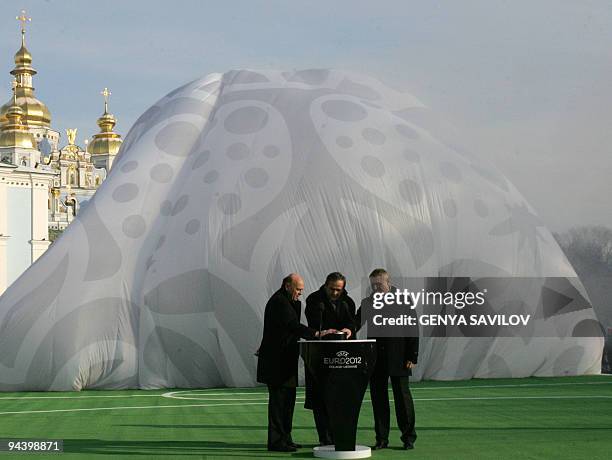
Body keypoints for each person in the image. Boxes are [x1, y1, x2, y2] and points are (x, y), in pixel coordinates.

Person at [257, 273, 334, 452]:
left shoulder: (293, 303)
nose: (300, 293)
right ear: (287, 286)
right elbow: (293, 326)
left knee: (288, 403)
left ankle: (286, 438)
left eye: (301, 290)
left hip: (287, 360)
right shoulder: (279, 302)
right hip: (276, 362)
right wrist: (317, 334)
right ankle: (276, 442)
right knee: (278, 404)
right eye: (298, 289)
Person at [356, 268, 419, 450]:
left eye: (379, 284)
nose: (376, 288)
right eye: (373, 285)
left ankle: (408, 438)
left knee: (403, 399)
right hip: (376, 359)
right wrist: (347, 330)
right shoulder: (368, 303)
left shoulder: (404, 301)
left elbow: (412, 329)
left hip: (400, 358)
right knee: (378, 400)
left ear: (388, 283)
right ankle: (381, 439)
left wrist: (412, 356)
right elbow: (356, 322)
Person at [304, 272, 356, 446]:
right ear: (326, 285)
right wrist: (327, 332)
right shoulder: (314, 300)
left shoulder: (348, 302)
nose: (335, 293)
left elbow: (351, 323)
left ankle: (339, 436)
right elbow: (314, 324)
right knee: (320, 400)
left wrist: (349, 330)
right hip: (320, 356)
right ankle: (325, 438)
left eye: (339, 290)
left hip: (343, 358)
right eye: (332, 289)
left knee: (340, 400)